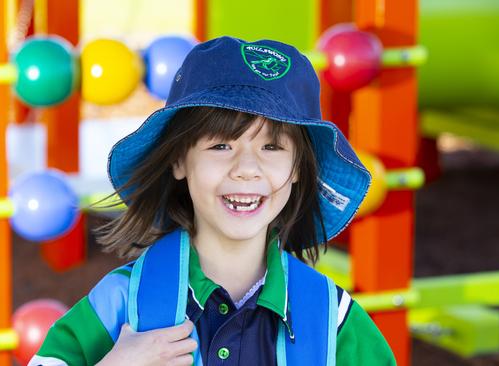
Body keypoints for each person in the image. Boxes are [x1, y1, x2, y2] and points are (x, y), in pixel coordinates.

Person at [28, 36, 396, 366]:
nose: (247, 169)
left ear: (298, 166)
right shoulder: (122, 302)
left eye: (272, 146)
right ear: (178, 160)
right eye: (221, 145)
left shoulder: (332, 319)